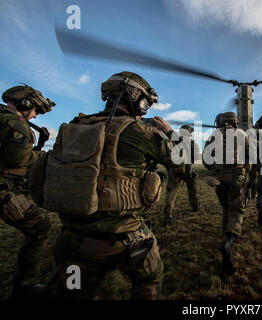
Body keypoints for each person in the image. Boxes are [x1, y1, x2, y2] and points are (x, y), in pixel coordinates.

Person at [50, 71, 179, 299]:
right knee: (149, 280)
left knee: (73, 291)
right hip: (124, 242)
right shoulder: (141, 133)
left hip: (72, 240)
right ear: (135, 98)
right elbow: (181, 164)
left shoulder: (75, 126)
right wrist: (170, 133)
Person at [0, 84, 55, 297]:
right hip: (4, 191)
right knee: (41, 227)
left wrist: (38, 145)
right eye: (36, 110)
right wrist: (42, 156)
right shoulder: (15, 123)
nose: (35, 115)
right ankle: (24, 286)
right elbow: (18, 160)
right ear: (25, 103)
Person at [203, 112, 251, 275]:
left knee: (225, 205)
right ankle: (228, 241)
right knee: (236, 209)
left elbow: (206, 161)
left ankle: (225, 230)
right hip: (237, 178)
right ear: (235, 122)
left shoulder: (214, 136)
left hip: (218, 178)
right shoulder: (242, 135)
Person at [162, 124, 200, 226]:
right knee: (192, 189)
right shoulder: (192, 143)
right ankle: (195, 207)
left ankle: (167, 216)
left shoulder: (172, 141)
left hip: (174, 170)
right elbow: (196, 158)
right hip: (187, 171)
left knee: (171, 193)